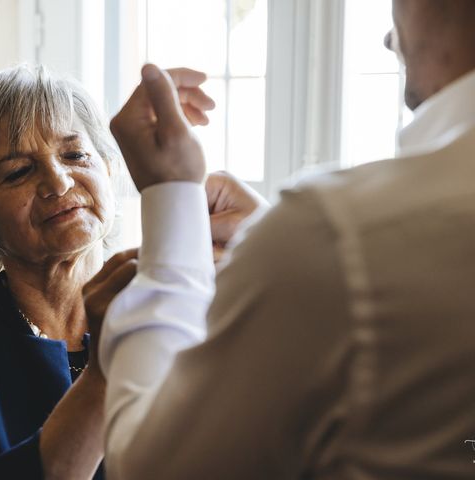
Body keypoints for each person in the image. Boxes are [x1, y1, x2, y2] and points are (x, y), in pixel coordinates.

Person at [86, 0, 475, 478]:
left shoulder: (338, 235)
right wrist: (278, 249)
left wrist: (171, 204)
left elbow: (152, 469)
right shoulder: (347, 241)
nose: (390, 38)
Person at [0, 64, 226, 480]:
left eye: (75, 155)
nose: (58, 183)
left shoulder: (192, 322)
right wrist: (105, 375)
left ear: (108, 170)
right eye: (19, 171)